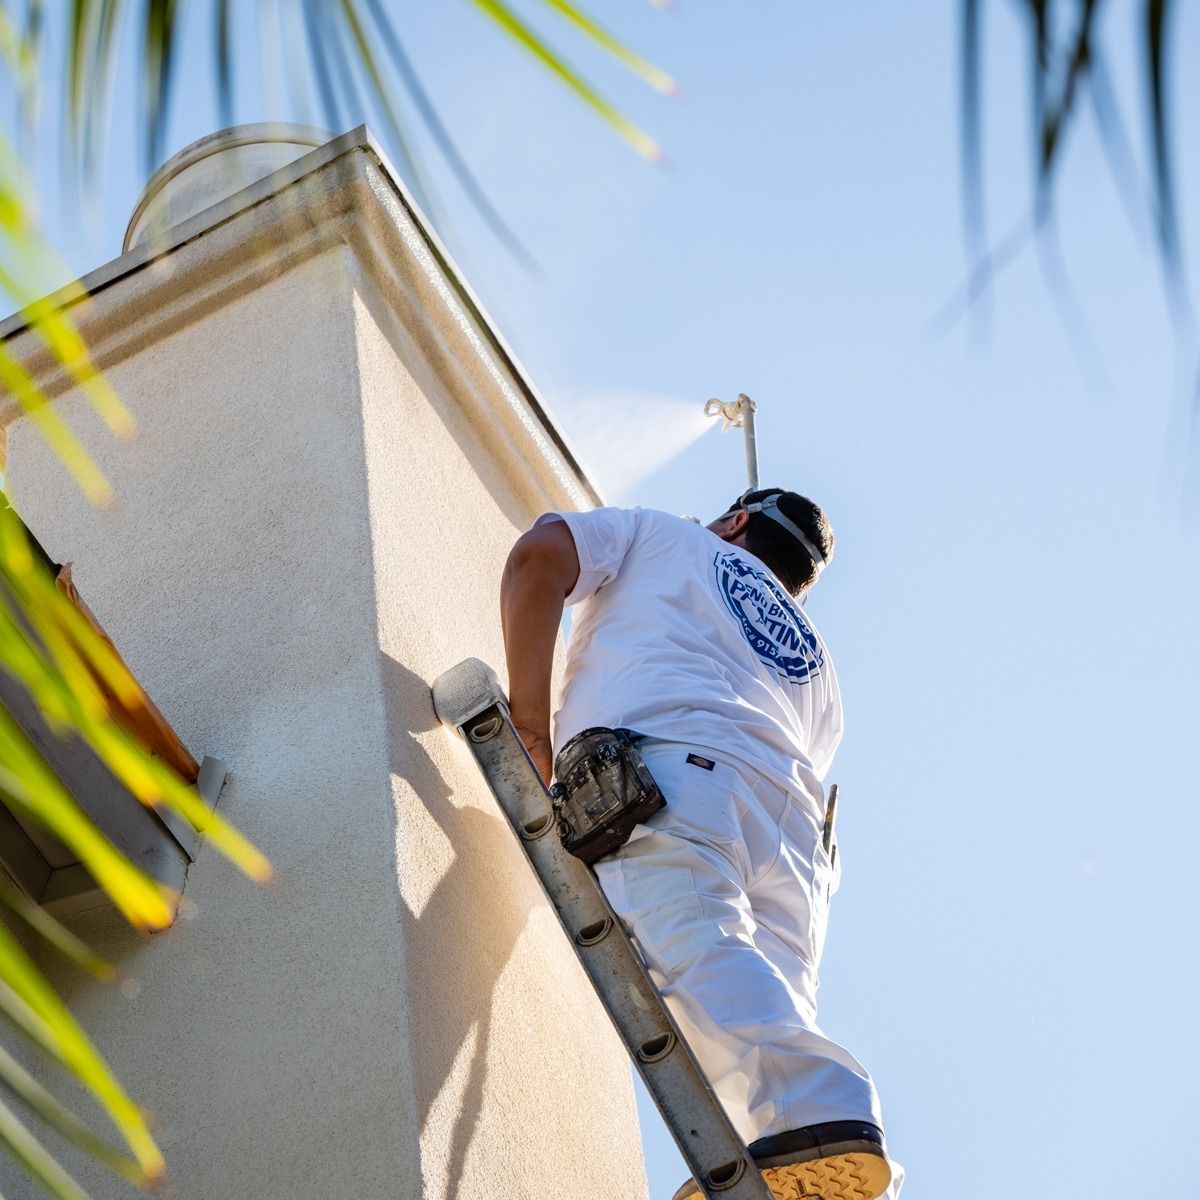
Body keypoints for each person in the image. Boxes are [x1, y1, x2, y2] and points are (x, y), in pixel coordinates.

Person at [500, 488, 901, 1200]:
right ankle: (778, 1160)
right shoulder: (818, 668)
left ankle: (827, 1107)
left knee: (691, 944)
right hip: (797, 842)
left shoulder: (660, 535)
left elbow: (537, 558)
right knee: (759, 1018)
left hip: (681, 775)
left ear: (738, 521)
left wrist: (530, 729)